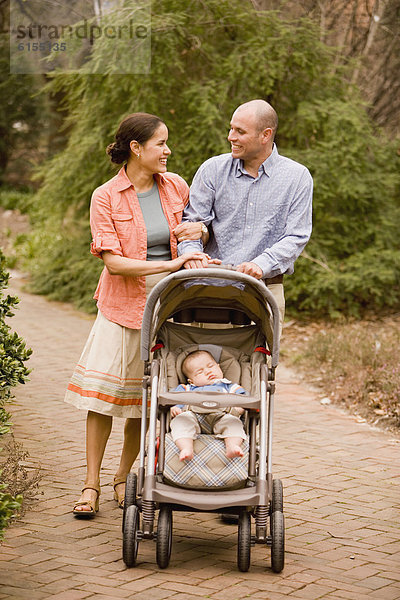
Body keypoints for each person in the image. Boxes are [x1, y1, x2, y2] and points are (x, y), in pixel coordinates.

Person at [65, 112, 215, 518]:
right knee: (103, 400)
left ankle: (121, 478)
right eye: (160, 144)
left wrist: (196, 236)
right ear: (136, 148)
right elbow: (113, 262)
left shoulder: (176, 187)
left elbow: (192, 232)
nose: (168, 151)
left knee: (142, 400)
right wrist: (167, 267)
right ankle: (90, 484)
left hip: (165, 306)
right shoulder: (106, 196)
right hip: (120, 307)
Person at [177, 99, 313, 333]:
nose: (231, 136)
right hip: (210, 287)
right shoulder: (212, 170)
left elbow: (296, 236)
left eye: (240, 131)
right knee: (205, 365)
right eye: (231, 128)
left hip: (265, 290)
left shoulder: (297, 177)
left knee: (259, 367)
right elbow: (192, 224)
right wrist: (191, 255)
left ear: (265, 135)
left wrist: (260, 265)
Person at [169, 350, 247, 461]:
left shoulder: (230, 387)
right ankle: (186, 448)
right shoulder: (187, 388)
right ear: (191, 381)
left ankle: (233, 446)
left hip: (223, 416)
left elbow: (244, 400)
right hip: (193, 417)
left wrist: (239, 409)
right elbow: (173, 399)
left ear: (219, 367)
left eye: (210, 366)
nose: (207, 371)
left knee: (234, 423)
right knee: (180, 421)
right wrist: (175, 408)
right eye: (199, 372)